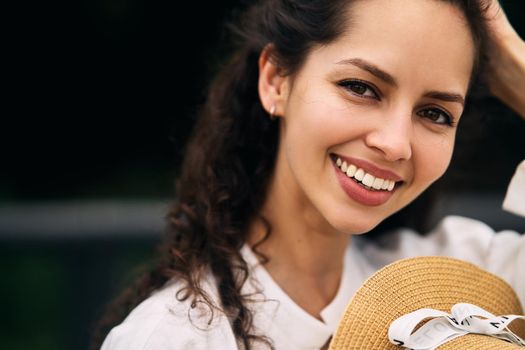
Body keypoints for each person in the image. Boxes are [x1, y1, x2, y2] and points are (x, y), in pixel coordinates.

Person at [93, 0, 525, 349]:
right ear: (277, 80)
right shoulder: (173, 339)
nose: (395, 143)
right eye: (361, 87)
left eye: (435, 113)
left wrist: (518, 70)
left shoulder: (460, 284)